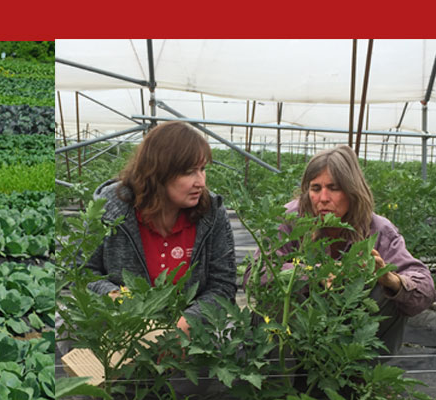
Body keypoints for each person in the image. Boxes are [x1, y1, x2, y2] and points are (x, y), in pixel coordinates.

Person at [269, 145, 435, 355]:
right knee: (274, 293)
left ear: (352, 191)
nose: (323, 198)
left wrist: (389, 280)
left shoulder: (378, 229)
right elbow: (256, 273)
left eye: (334, 188)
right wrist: (312, 273)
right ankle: (283, 378)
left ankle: (362, 379)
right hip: (298, 335)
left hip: (352, 335)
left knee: (396, 293)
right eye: (315, 188)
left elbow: (425, 288)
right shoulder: (290, 219)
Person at [84, 121, 238, 331]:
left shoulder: (211, 213)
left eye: (202, 169)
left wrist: (187, 322)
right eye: (189, 172)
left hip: (190, 334)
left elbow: (223, 285)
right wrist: (119, 299)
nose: (201, 182)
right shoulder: (110, 208)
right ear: (158, 172)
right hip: (120, 328)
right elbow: (83, 272)